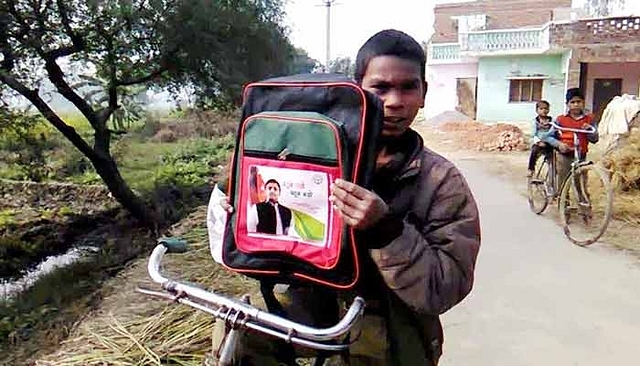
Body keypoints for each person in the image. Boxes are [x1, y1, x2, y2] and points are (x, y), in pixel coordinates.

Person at [220, 29, 481, 365]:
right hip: (312, 314)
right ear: (359, 93)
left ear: (424, 93)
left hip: (392, 330)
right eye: (381, 88)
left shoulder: (441, 182)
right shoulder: (319, 159)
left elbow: (444, 288)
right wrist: (243, 220)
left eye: (408, 87)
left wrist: (386, 231)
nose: (394, 102)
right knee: (235, 338)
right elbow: (280, 255)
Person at [554, 88, 599, 185]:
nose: (576, 104)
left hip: (581, 154)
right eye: (572, 102)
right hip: (565, 153)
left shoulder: (589, 119)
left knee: (581, 180)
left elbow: (595, 139)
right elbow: (551, 136)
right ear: (567, 104)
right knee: (563, 177)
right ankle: (562, 198)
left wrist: (589, 130)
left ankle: (582, 198)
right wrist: (559, 144)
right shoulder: (561, 119)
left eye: (578, 101)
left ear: (583, 102)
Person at [527, 100, 564, 177]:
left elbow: (555, 130)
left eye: (546, 108)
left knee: (556, 154)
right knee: (534, 151)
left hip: (550, 140)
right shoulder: (535, 122)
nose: (544, 110)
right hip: (539, 141)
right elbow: (533, 134)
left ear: (549, 109)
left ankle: (554, 170)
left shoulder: (552, 120)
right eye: (541, 109)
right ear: (537, 110)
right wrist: (538, 142)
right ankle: (531, 169)